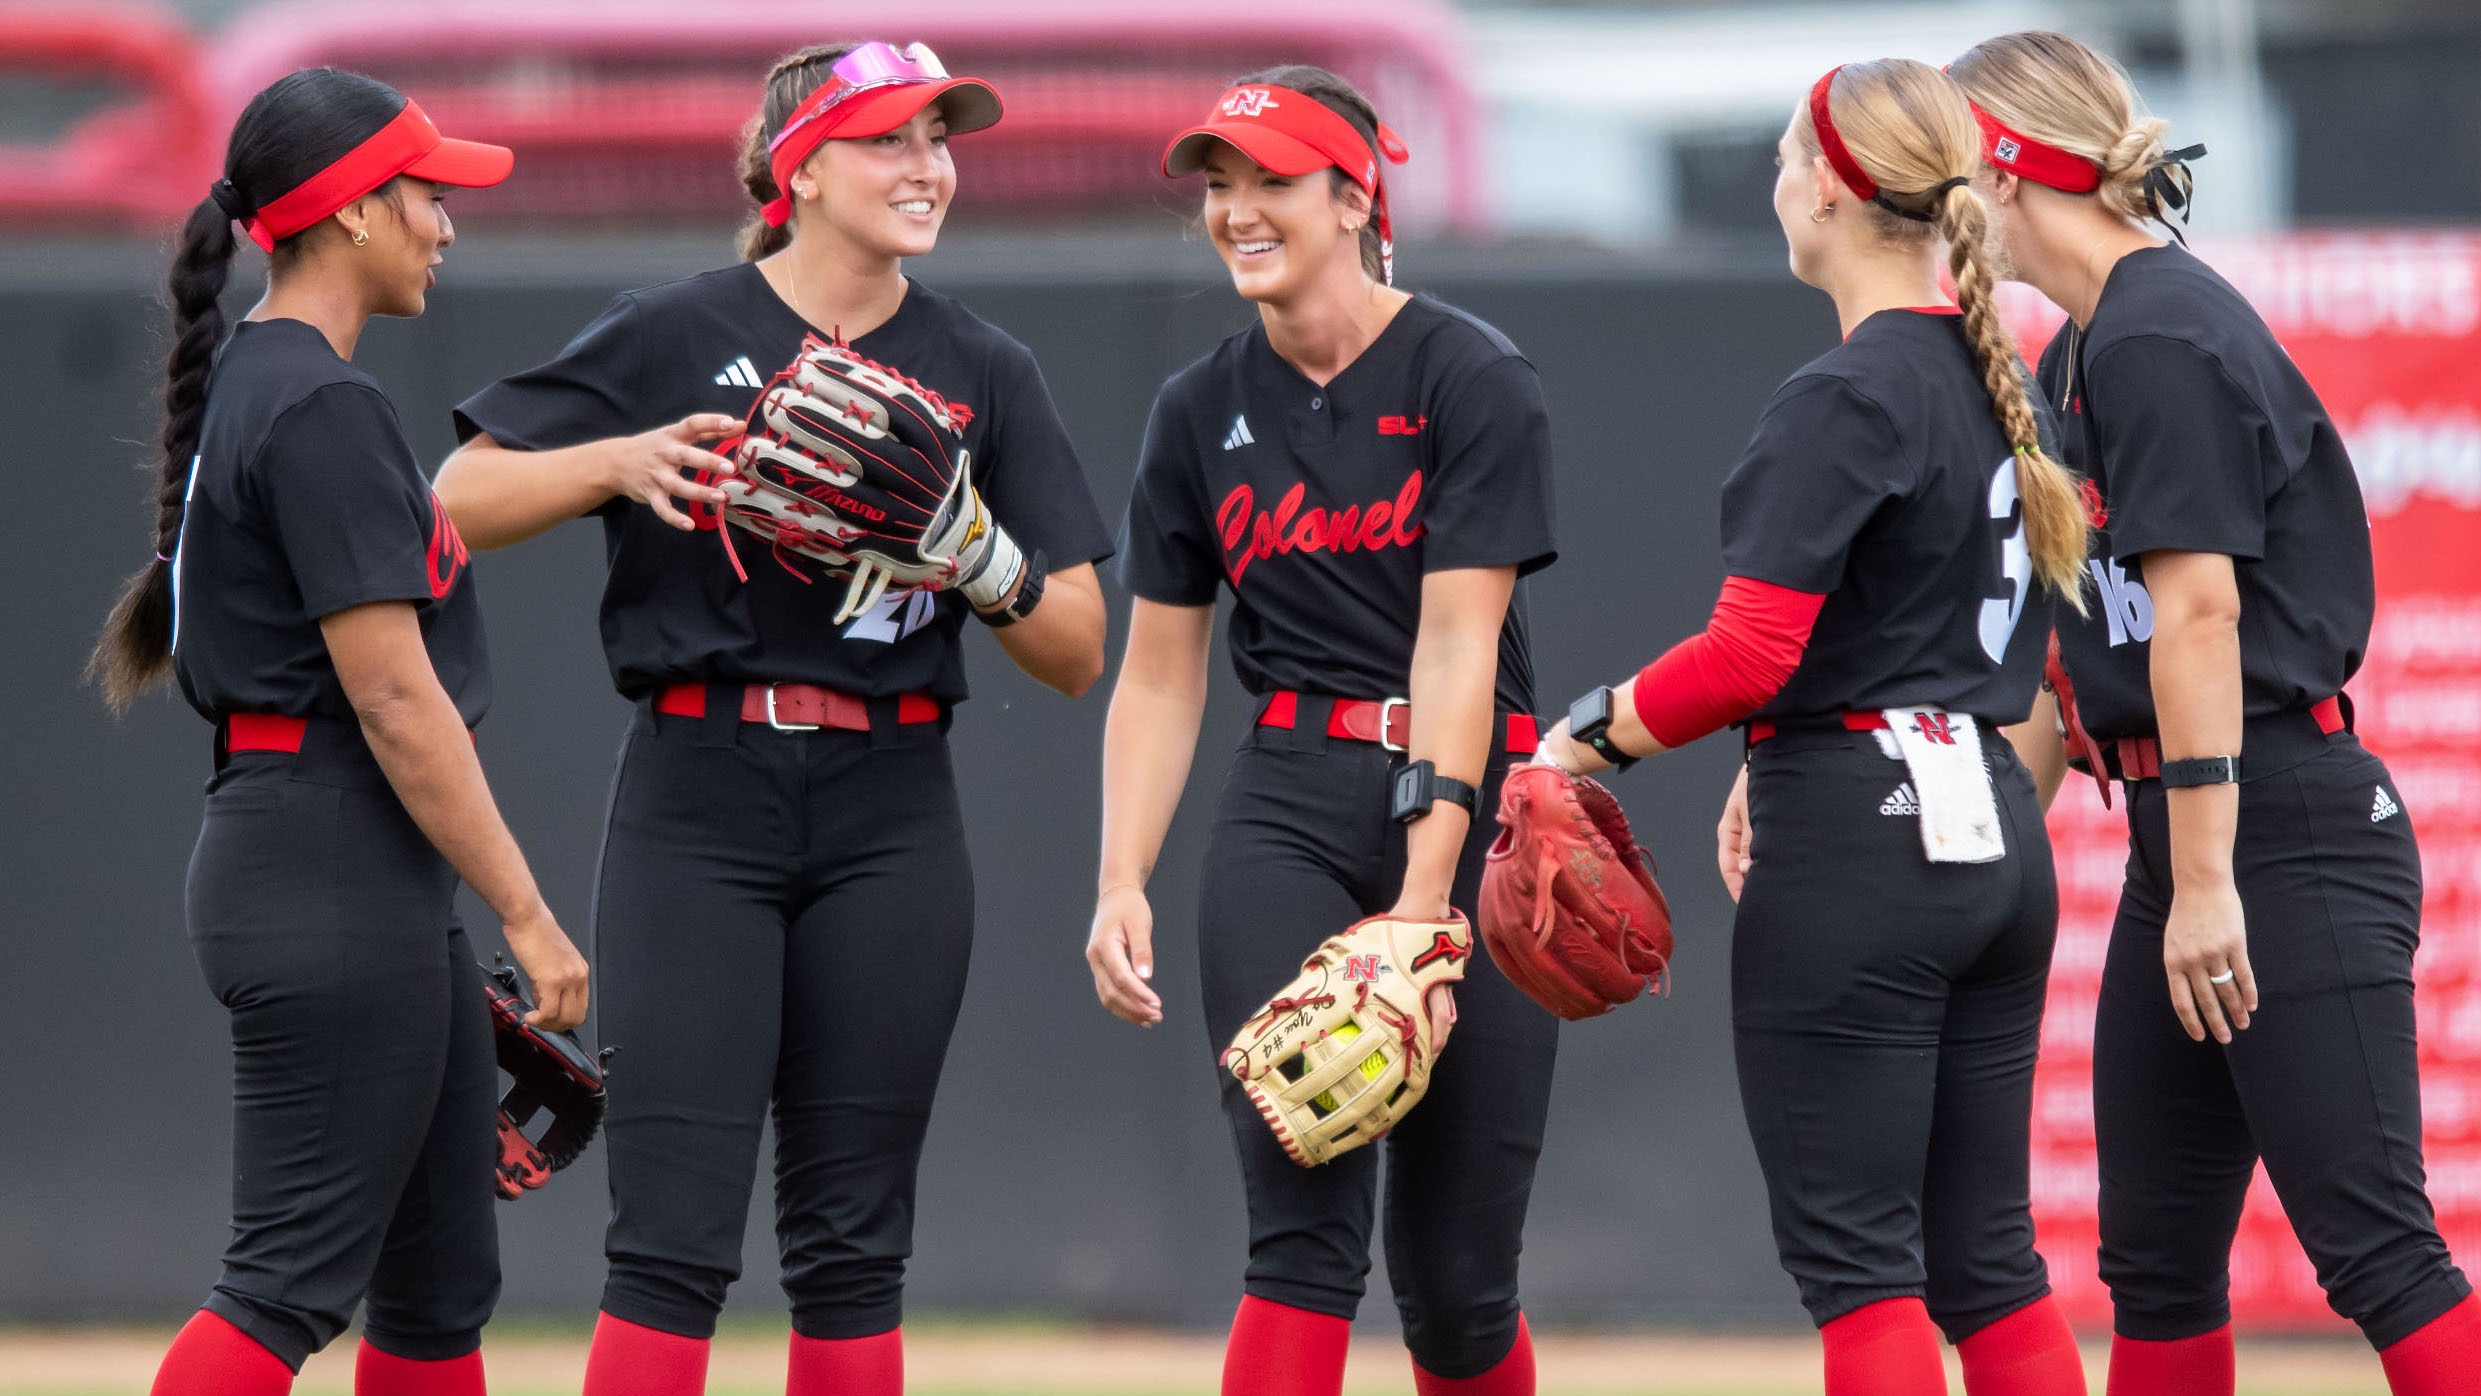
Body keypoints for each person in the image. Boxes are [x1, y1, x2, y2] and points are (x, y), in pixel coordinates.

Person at [434, 40, 1112, 1396]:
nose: (928, 165)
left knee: (854, 1245)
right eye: (889, 139)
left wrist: (979, 557)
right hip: (700, 793)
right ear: (797, 166)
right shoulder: (675, 331)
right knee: (669, 1243)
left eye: (941, 138)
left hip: (892, 812)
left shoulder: (987, 366)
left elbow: (1079, 648)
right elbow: (449, 497)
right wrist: (613, 463)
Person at [1531, 59, 2092, 1396]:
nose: (1781, 182)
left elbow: (1745, 652)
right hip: (1994, 833)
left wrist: (1572, 742)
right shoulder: (1994, 383)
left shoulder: (1846, 394)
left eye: (1788, 157)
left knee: (1860, 1268)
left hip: (1858, 839)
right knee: (1986, 1265)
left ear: (1833, 187)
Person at [1949, 30, 2480, 1396]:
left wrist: (2199, 884)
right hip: (2192, 841)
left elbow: (2197, 616)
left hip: (2274, 833)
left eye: (1949, 163)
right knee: (2156, 1263)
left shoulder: (2157, 329)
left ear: (2003, 168)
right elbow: (2085, 670)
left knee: (2373, 1252)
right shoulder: (2083, 341)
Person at [88, 68, 587, 1396]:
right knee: (286, 1280)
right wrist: (526, 912)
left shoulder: (274, 386)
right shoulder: (316, 401)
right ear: (352, 211)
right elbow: (394, 698)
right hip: (325, 861)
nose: (444, 222)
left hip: (349, 867)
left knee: (434, 1291)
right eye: (426, 194)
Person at [1088, 64, 1558, 1396]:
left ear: (1354, 197)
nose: (1235, 209)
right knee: (1298, 1230)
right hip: (1285, 802)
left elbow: (1459, 642)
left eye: (1269, 181)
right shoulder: (1195, 409)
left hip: (1470, 817)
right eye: (1217, 185)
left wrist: (1421, 903)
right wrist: (1119, 874)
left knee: (1462, 1284)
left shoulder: (1469, 374)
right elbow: (1161, 673)